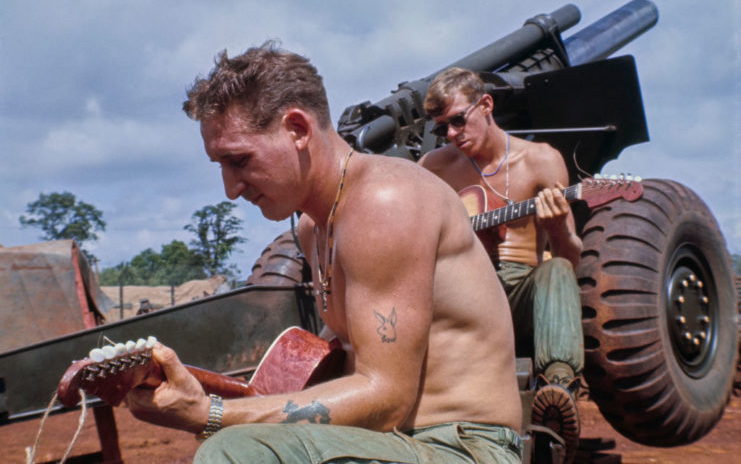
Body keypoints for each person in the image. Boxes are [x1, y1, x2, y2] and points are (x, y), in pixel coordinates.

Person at [125, 43, 523, 463]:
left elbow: (386, 397)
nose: (231, 188)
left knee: (236, 449)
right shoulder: (315, 228)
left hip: (461, 447)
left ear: (297, 128)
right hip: (395, 443)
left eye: (238, 160)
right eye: (219, 165)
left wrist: (210, 414)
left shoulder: (385, 200)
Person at [419, 67, 585, 463]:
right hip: (463, 294)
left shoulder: (541, 161)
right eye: (443, 129)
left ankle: (558, 392)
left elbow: (570, 258)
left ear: (486, 104)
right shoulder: (433, 168)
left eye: (459, 120)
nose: (453, 135)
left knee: (557, 271)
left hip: (521, 288)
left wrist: (559, 227)